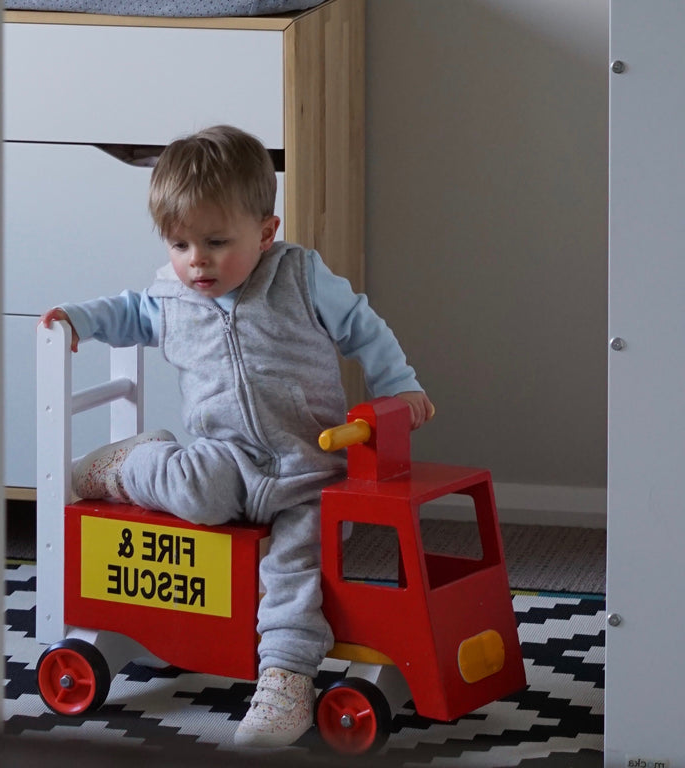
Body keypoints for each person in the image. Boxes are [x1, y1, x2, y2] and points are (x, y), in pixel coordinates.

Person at [39, 125, 434, 748]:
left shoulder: (299, 276)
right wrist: (78, 320)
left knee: (298, 565)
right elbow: (128, 311)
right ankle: (125, 466)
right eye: (179, 243)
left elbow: (363, 328)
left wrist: (400, 386)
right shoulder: (171, 294)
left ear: (266, 232)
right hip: (227, 458)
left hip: (310, 468)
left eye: (218, 242)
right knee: (195, 491)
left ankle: (285, 678)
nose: (197, 260)